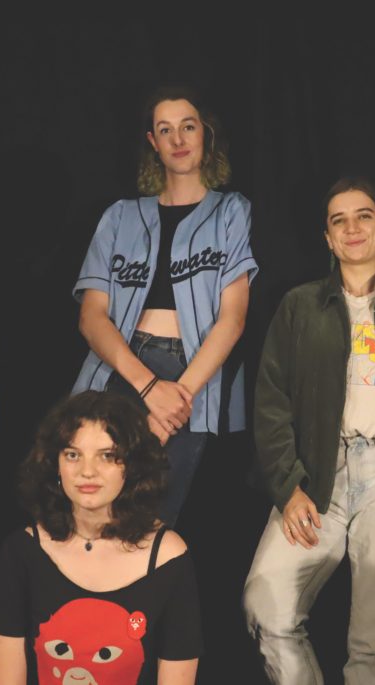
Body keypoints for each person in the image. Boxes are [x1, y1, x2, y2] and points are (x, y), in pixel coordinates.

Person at [243, 177, 375, 683]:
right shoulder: (299, 306)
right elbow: (270, 400)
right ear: (327, 238)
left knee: (374, 643)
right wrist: (288, 485)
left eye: (364, 216)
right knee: (266, 607)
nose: (352, 227)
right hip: (317, 475)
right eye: (338, 220)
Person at [71, 86, 258, 525]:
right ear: (153, 143)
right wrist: (150, 388)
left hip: (192, 379)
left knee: (148, 522)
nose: (178, 139)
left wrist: (176, 400)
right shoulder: (120, 216)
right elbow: (91, 317)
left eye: (188, 127)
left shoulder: (232, 211)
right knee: (90, 515)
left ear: (204, 134)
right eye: (165, 130)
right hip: (122, 368)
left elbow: (232, 320)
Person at [0, 391, 202, 684]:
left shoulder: (168, 557)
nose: (87, 471)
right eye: (73, 455)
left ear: (131, 466)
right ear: (55, 464)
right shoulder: (21, 551)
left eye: (107, 456)